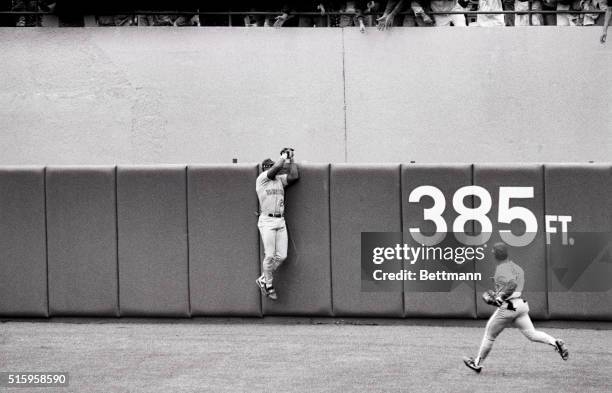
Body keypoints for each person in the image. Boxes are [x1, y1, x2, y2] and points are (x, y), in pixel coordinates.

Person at [463, 242, 569, 373]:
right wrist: (498, 293)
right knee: (532, 334)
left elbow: (512, 284)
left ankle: (476, 363)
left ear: (496, 254)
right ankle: (555, 342)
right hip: (520, 305)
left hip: (509, 306)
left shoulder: (502, 268)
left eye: (493, 251)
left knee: (489, 335)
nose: (491, 252)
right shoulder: (517, 267)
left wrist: (499, 298)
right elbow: (512, 285)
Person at [255, 148, 299, 300]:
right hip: (267, 221)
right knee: (270, 256)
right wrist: (283, 157)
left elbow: (294, 176)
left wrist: (291, 159)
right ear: (266, 169)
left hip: (280, 220)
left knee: (282, 256)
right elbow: (276, 169)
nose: (275, 168)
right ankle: (269, 284)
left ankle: (263, 279)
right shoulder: (262, 179)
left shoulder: (279, 180)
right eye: (271, 166)